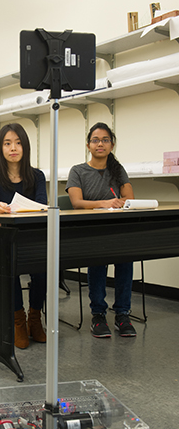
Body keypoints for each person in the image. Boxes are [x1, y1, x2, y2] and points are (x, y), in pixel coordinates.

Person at [66, 122, 137, 338]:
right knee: (97, 260)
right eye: (95, 140)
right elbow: (77, 202)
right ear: (88, 145)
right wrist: (105, 203)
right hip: (91, 229)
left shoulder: (118, 170)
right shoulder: (78, 171)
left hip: (117, 228)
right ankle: (98, 314)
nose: (100, 144)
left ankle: (123, 314)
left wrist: (114, 203)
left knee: (126, 258)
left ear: (112, 145)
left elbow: (130, 199)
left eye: (105, 140)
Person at [0, 123, 47, 349]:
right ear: (1, 148)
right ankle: (18, 322)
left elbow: (42, 207)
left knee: (42, 263)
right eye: (7, 143)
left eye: (18, 143)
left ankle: (35, 319)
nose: (13, 148)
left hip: (26, 237)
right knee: (9, 260)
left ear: (25, 146)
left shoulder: (37, 176)